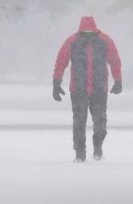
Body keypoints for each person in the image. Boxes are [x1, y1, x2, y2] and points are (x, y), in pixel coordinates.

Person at [53, 16, 122, 162]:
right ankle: (90, 149)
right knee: (98, 121)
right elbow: (115, 61)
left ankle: (84, 152)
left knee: (81, 122)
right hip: (93, 88)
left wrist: (57, 82)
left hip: (84, 88)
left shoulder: (73, 41)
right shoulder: (103, 40)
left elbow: (61, 62)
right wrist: (117, 80)